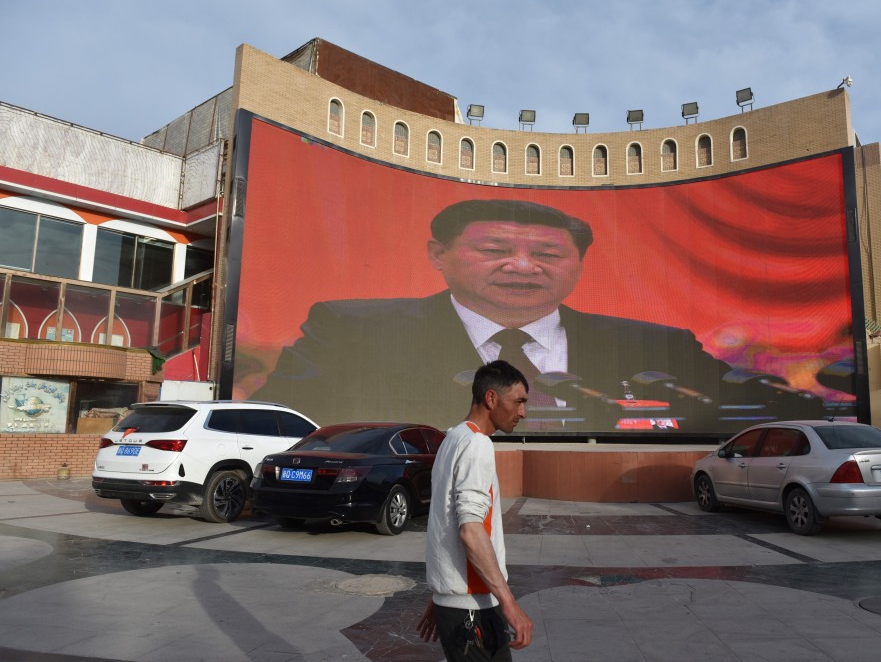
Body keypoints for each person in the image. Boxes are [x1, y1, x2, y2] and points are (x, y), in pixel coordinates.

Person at [252, 199, 798, 431]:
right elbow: (283, 419)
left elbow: (742, 409)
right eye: (494, 250)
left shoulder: (657, 344)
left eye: (547, 254)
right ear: (438, 255)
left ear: (579, 264)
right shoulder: (350, 329)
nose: (521, 266)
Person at [416, 360, 534, 660]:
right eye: (518, 402)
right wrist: (510, 604)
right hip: (472, 610)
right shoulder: (477, 444)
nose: (523, 412)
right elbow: (470, 530)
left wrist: (442, 595)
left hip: (459, 604)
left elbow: (444, 522)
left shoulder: (453, 438)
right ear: (491, 398)